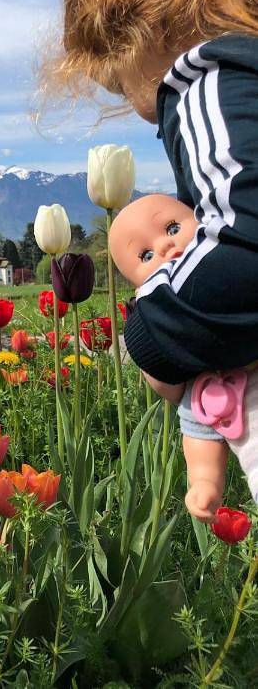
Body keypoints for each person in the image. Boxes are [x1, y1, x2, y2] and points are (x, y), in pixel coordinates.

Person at [44, 0, 258, 390]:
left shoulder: (211, 84)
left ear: (135, 33)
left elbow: (245, 248)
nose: (139, 110)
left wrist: (154, 339)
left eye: (116, 82)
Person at [109, 194, 258, 521]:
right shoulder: (197, 373)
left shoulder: (233, 258)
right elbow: (196, 424)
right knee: (200, 412)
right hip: (232, 404)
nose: (164, 246)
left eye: (173, 227)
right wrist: (204, 481)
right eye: (146, 255)